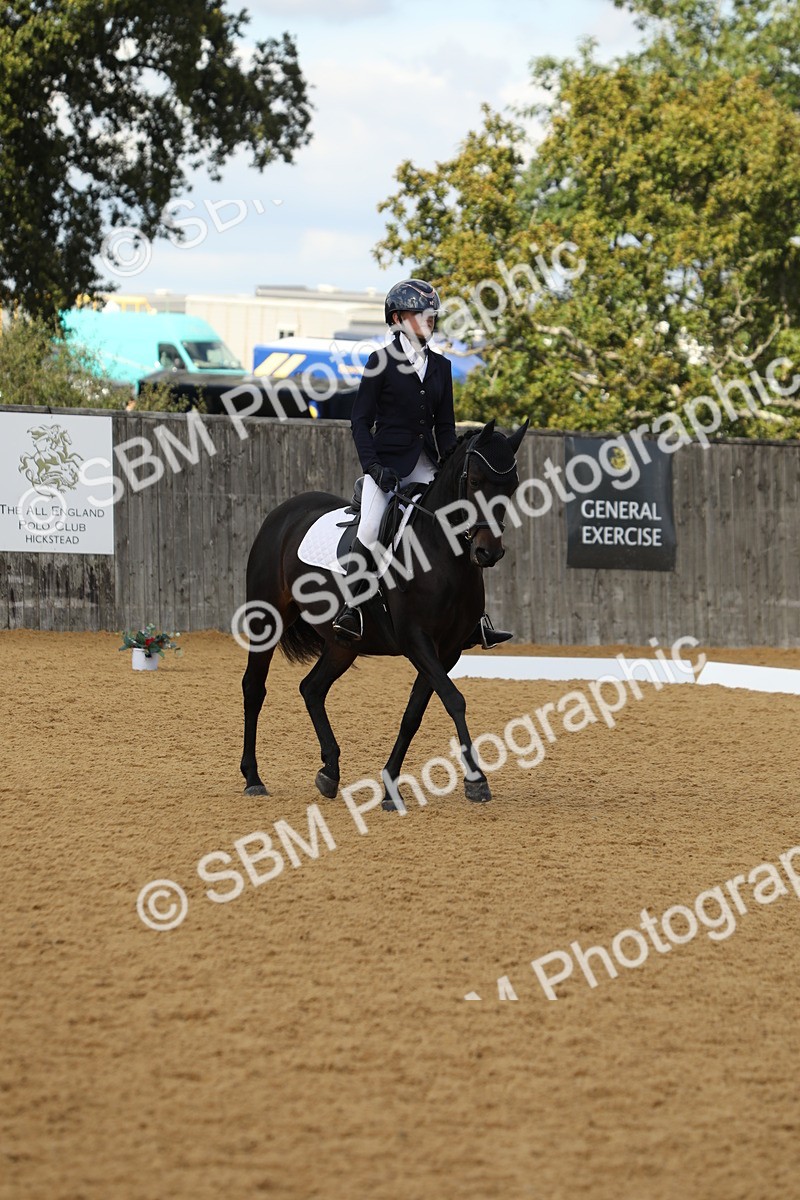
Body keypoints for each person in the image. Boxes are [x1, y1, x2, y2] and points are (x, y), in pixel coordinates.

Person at [332, 278, 513, 648]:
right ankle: (352, 609)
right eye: (420, 314)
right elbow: (360, 422)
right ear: (398, 319)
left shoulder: (441, 367)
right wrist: (373, 467)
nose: (429, 319)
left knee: (461, 522)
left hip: (427, 462)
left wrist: (449, 464)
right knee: (371, 526)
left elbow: (444, 427)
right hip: (386, 465)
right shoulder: (380, 362)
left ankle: (474, 618)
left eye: (432, 315)